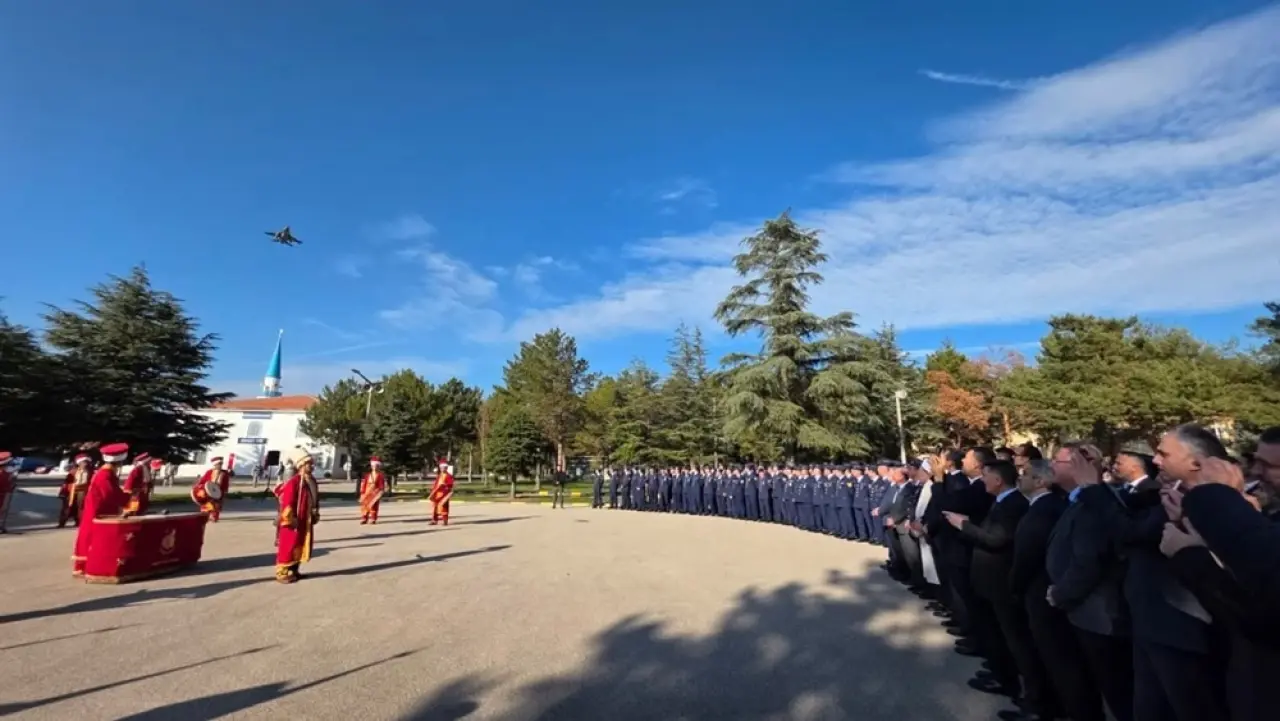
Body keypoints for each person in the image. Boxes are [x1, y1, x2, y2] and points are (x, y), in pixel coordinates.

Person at [1010, 458, 1105, 721]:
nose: (1021, 477)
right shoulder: (1049, 505)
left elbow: (1029, 555)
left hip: (1046, 594)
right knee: (1054, 660)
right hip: (1046, 593)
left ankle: (1060, 709)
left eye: (1026, 473)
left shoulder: (1048, 508)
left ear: (1041, 481)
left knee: (1062, 663)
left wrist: (1015, 587)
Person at [72, 443, 131, 577]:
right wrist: (127, 497)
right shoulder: (105, 474)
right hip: (98, 511)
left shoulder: (108, 473)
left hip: (101, 510)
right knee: (93, 537)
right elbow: (110, 493)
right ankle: (85, 566)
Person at [275, 447, 319, 584]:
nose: (311, 466)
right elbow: (287, 502)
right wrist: (290, 518)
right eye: (308, 464)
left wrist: (316, 512)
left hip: (305, 519)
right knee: (289, 545)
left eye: (312, 464)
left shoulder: (311, 481)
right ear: (301, 466)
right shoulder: (294, 482)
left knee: (301, 544)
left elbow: (315, 499)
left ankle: (294, 570)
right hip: (293, 520)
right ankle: (282, 573)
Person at [58, 454, 93, 527]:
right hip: (72, 491)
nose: (85, 464)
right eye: (83, 462)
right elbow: (66, 482)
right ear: (79, 463)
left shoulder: (91, 471)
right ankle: (62, 523)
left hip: (83, 491)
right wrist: (63, 492)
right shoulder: (73, 471)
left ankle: (79, 522)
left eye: (86, 462)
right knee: (67, 507)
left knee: (81, 507)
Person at [192, 456, 230, 521]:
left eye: (221, 464)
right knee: (207, 504)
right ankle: (205, 516)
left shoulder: (224, 473)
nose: (220, 465)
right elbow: (202, 480)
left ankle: (214, 516)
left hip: (219, 492)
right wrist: (198, 486)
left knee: (216, 505)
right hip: (208, 491)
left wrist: (225, 490)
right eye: (218, 464)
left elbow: (226, 482)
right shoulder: (209, 472)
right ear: (215, 465)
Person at [359, 457, 386, 525]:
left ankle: (373, 519)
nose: (374, 467)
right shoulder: (367, 475)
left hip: (375, 493)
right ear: (371, 466)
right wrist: (362, 492)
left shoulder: (380, 476)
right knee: (365, 505)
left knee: (373, 506)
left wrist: (380, 492)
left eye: (376, 466)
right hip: (367, 492)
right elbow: (364, 484)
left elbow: (381, 485)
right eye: (373, 466)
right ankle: (364, 518)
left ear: (378, 467)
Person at [429, 459, 454, 525]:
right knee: (435, 507)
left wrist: (445, 485)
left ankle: (445, 521)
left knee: (444, 507)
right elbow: (436, 484)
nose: (442, 468)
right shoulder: (439, 475)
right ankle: (434, 520)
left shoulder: (449, 476)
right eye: (441, 467)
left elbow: (450, 485)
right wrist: (433, 491)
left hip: (444, 494)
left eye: (444, 467)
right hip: (437, 493)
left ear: (446, 468)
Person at [0, 451, 14, 533]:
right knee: (2, 509)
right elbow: (7, 486)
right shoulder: (5, 474)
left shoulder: (6, 474)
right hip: (2, 495)